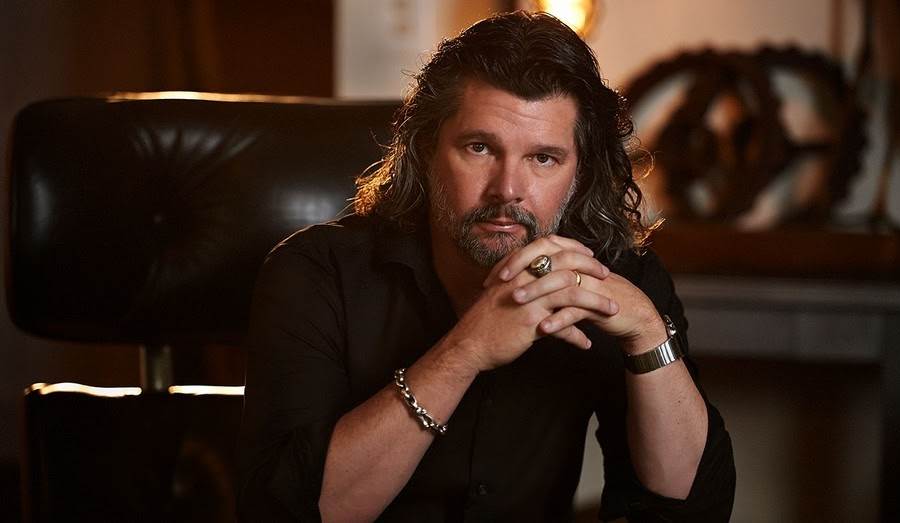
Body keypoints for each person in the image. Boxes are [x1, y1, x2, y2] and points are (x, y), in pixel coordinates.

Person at [237, 11, 735, 522]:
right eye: (479, 148)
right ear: (426, 150)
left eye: (543, 158)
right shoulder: (314, 273)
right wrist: (467, 350)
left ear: (578, 172)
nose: (507, 190)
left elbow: (694, 510)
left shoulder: (617, 278)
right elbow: (283, 513)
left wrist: (650, 334)